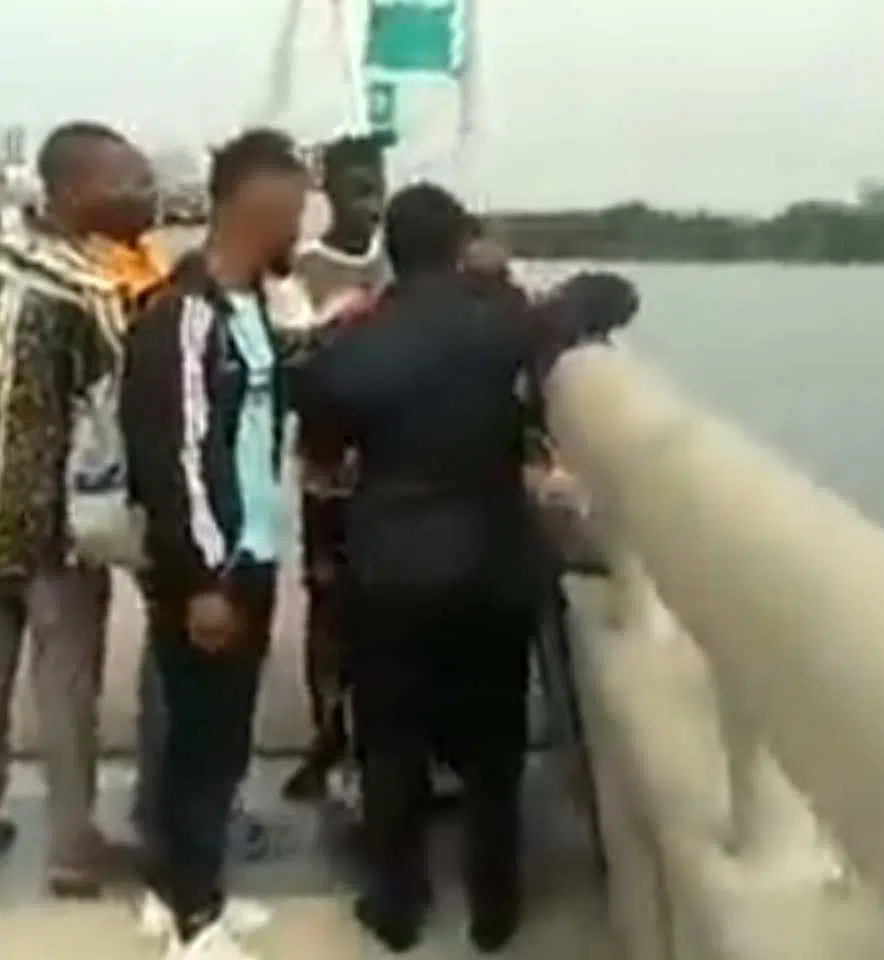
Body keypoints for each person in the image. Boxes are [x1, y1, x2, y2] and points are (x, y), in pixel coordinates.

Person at [296, 183, 543, 953]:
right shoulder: (509, 322)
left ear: (388, 249)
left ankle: (397, 904)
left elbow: (323, 459)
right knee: (496, 742)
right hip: (495, 552)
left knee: (392, 742)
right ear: (461, 243)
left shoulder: (354, 343)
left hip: (391, 562)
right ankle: (495, 907)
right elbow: (610, 298)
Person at [121, 127, 310, 960]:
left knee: (220, 737)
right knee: (197, 741)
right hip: (212, 566)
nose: (299, 227)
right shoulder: (184, 315)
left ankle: (185, 889)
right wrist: (202, 577)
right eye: (293, 211)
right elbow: (179, 456)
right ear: (255, 207)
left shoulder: (253, 308)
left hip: (254, 551)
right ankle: (192, 923)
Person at [0, 121, 131, 898]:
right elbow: (117, 403)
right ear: (75, 190)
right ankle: (73, 850)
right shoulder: (87, 286)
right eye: (122, 180)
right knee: (65, 686)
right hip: (56, 525)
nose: (139, 193)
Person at [281, 132, 391, 804]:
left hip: (393, 471)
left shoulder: (402, 262)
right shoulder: (301, 269)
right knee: (328, 608)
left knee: (387, 611)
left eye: (376, 186)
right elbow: (291, 362)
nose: (369, 202)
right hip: (328, 476)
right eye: (356, 188)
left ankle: (381, 742)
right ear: (329, 192)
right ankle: (326, 734)